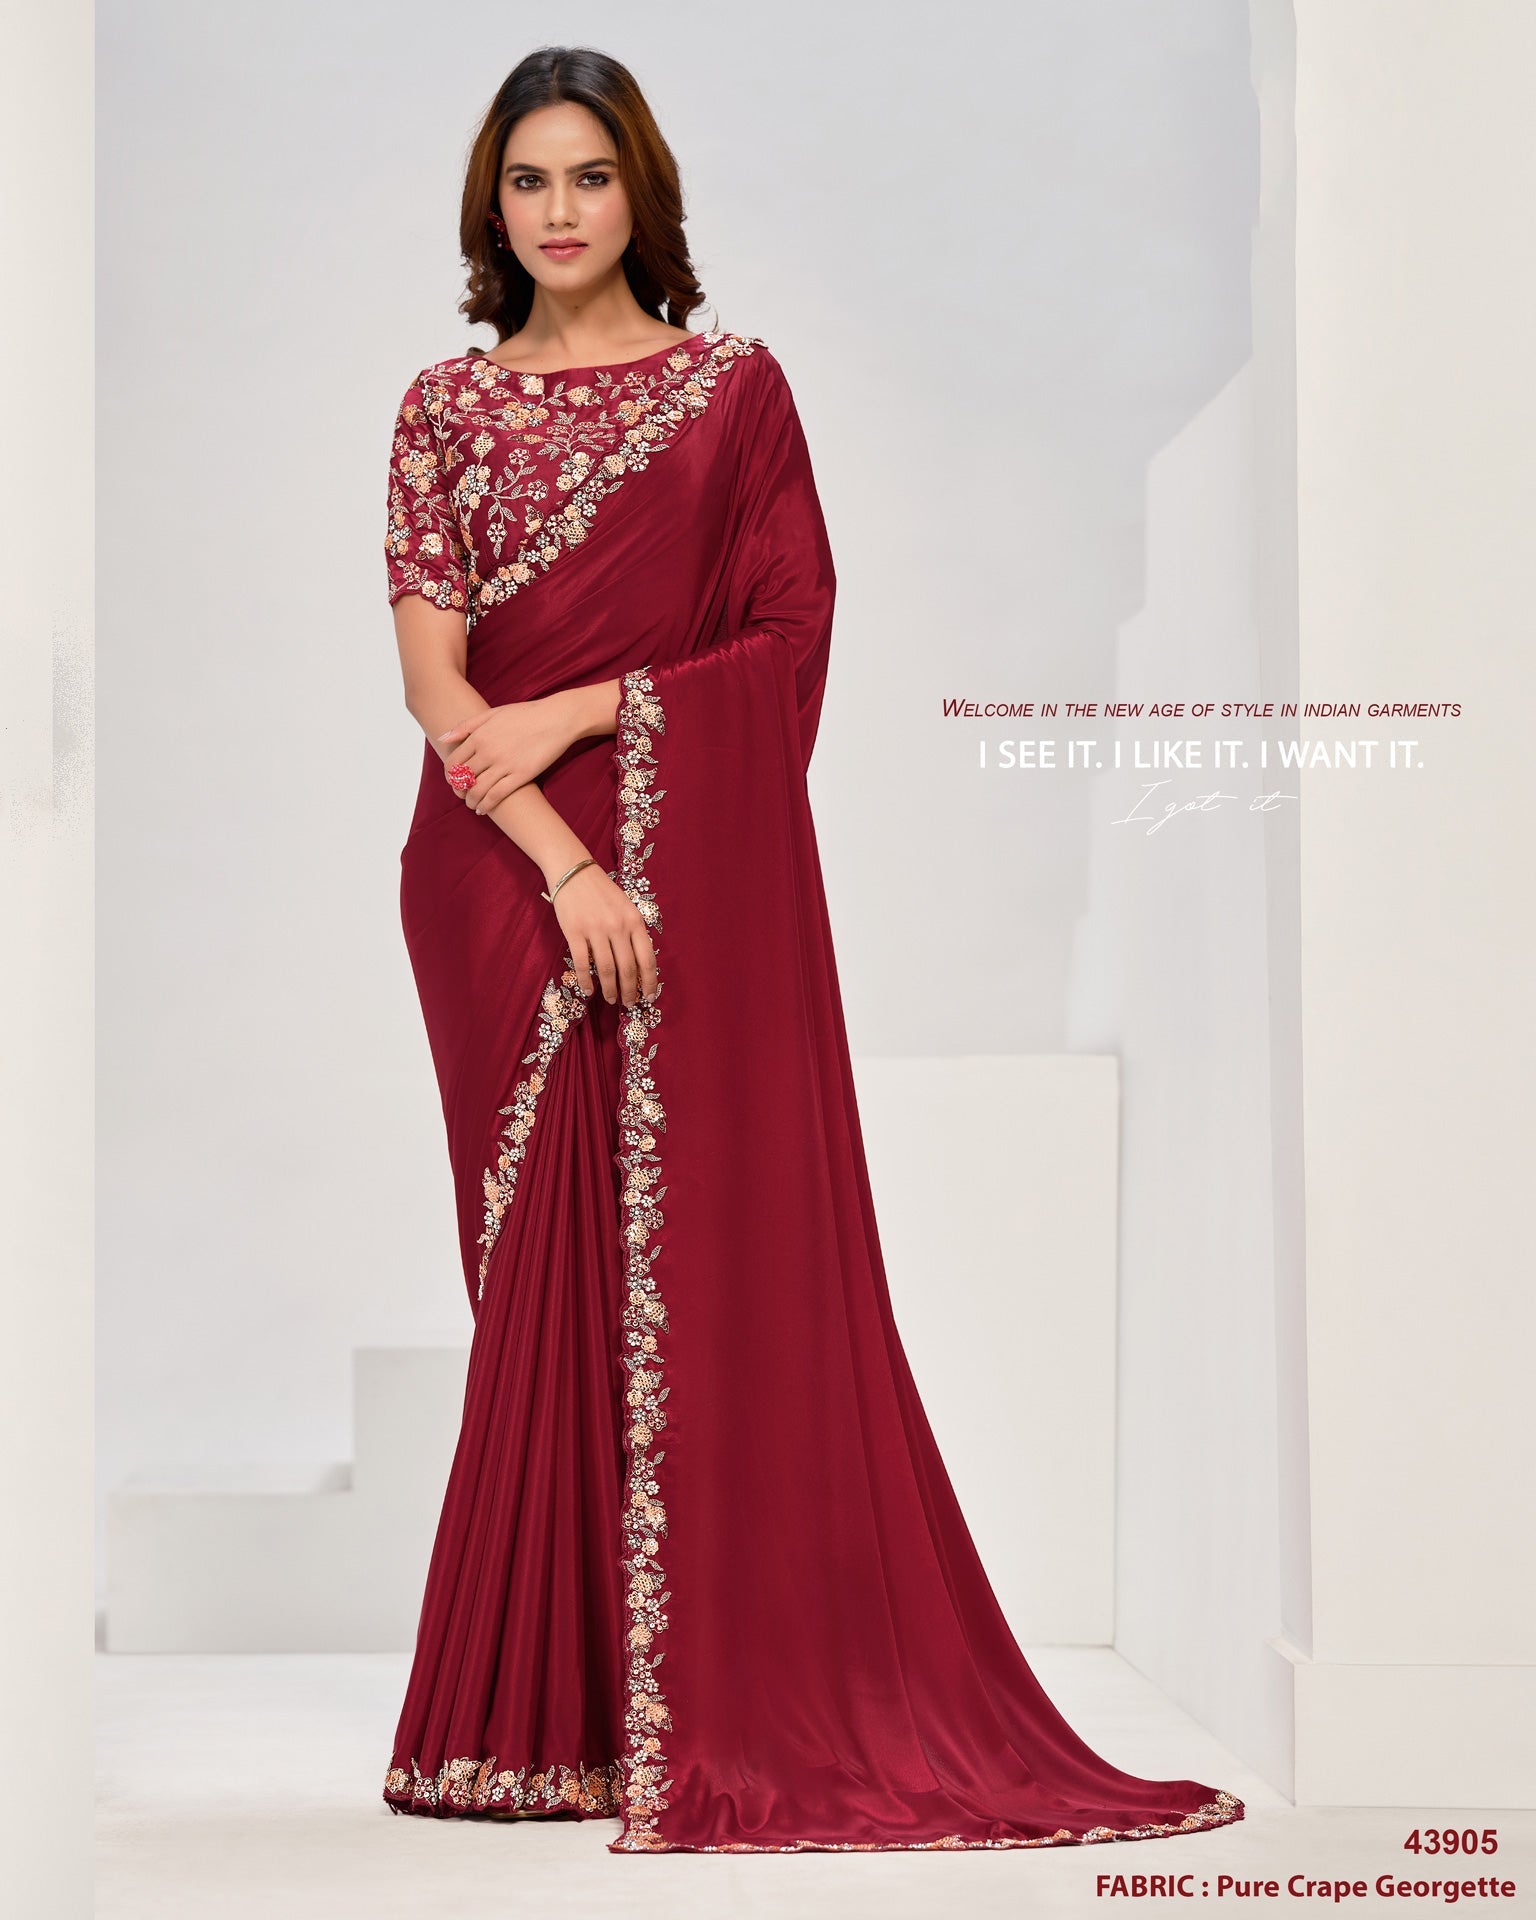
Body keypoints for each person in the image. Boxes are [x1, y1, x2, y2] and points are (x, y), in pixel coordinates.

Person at [380, 44, 1244, 1855]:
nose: (558, 212)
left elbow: (785, 642)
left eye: (589, 177)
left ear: (641, 191)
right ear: (490, 204)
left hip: (679, 873)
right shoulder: (443, 410)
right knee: (543, 1276)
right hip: (500, 882)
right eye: (528, 180)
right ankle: (539, 1717)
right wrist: (567, 868)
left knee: (680, 1271)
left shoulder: (732, 396)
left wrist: (592, 712)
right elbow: (438, 691)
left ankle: (656, 1709)